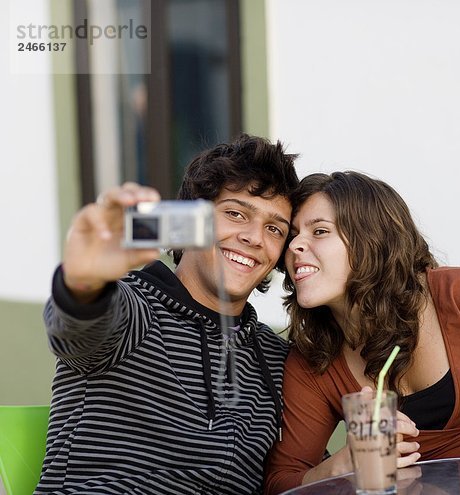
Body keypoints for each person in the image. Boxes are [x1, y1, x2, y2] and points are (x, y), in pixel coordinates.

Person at [264, 171, 460, 494]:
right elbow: (281, 482)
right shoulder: (314, 359)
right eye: (292, 236)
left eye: (319, 231)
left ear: (372, 240)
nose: (294, 246)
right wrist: (341, 466)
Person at [37, 134, 299, 494]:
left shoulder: (274, 357)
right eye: (236, 213)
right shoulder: (136, 308)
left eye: (274, 229)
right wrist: (84, 279)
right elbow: (79, 328)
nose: (254, 237)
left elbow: (295, 476)